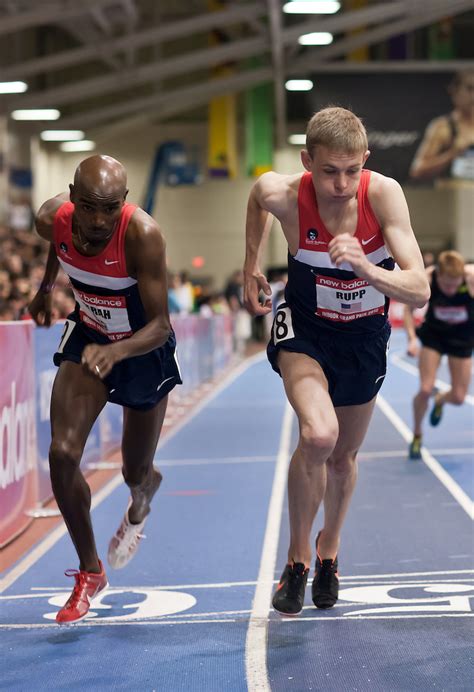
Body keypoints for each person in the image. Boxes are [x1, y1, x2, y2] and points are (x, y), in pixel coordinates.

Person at [243, 106, 430, 616]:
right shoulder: (286, 194)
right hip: (305, 330)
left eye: (352, 170)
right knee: (318, 436)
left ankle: (329, 550)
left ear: (365, 161)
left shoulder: (384, 194)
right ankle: (297, 556)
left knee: (344, 457)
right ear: (307, 162)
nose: (342, 183)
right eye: (328, 171)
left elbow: (419, 289)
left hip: (364, 338)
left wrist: (368, 267)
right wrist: (250, 264)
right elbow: (258, 194)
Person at [28, 155, 182, 624]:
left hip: (140, 349)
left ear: (125, 203)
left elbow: (161, 325)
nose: (99, 221)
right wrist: (47, 284)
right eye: (90, 208)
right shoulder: (50, 220)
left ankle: (144, 494)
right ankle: (90, 571)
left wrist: (117, 354)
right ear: (71, 200)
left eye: (110, 209)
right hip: (90, 334)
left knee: (133, 470)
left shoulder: (142, 235)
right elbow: (61, 239)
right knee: (61, 453)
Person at [405, 250, 474, 460]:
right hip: (434, 336)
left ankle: (440, 401)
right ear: (439, 275)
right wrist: (411, 338)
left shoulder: (471, 279)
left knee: (459, 397)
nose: (451, 290)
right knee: (425, 388)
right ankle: (417, 435)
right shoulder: (428, 278)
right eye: (446, 285)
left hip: (462, 339)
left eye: (455, 284)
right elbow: (408, 310)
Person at [409, 69, 474, 182]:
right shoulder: (443, 127)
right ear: (455, 92)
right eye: (470, 88)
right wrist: (452, 154)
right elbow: (417, 169)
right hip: (453, 195)